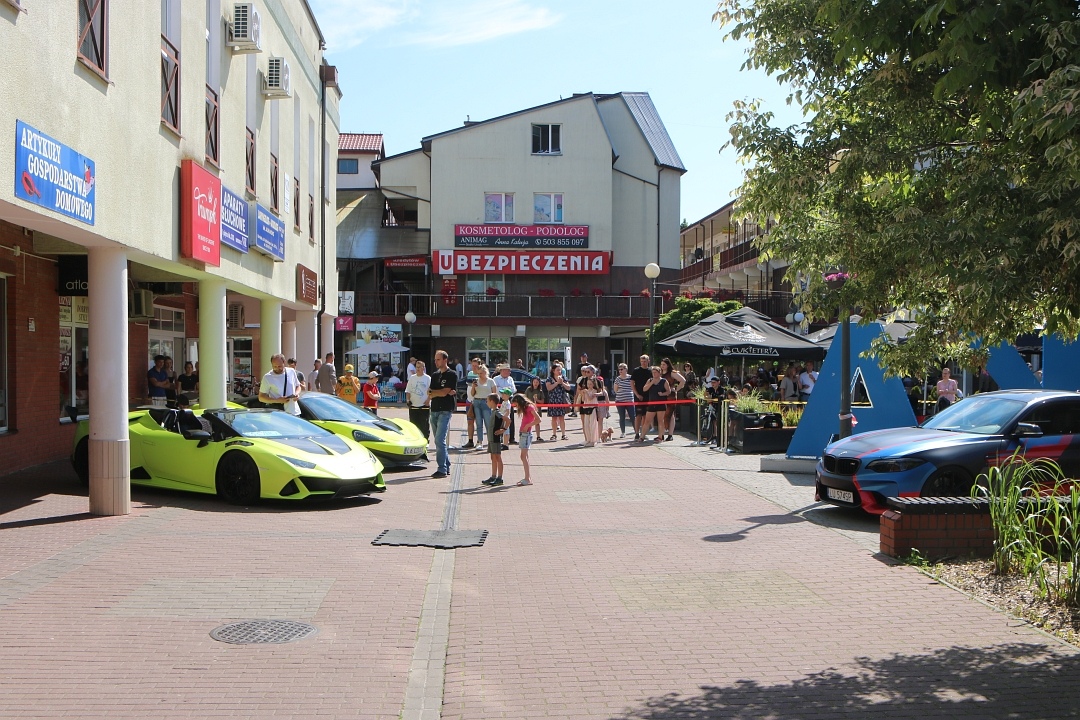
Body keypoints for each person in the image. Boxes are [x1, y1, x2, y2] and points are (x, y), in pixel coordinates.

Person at [427, 350, 457, 479]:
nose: (436, 362)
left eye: (438, 359)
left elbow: (444, 392)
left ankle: (441, 468)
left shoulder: (452, 374)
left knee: (440, 440)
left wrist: (437, 392)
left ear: (445, 360)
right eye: (435, 359)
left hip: (445, 410)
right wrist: (436, 392)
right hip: (434, 409)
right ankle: (447, 464)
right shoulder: (434, 375)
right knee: (438, 441)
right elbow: (429, 392)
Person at [467, 364, 497, 450]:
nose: (480, 375)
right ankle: (479, 442)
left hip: (487, 402)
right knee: (479, 423)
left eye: (481, 373)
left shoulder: (491, 381)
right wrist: (473, 387)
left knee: (488, 423)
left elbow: (494, 394)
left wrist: (492, 404)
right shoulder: (476, 381)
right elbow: (472, 394)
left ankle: (490, 442)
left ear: (485, 372)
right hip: (477, 401)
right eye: (478, 373)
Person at [405, 360, 430, 459]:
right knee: (414, 426)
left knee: (424, 426)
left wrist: (428, 400)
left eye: (420, 367)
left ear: (423, 368)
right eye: (417, 367)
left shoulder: (427, 378)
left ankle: (425, 446)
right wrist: (408, 400)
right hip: (414, 406)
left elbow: (430, 390)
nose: (418, 369)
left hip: (424, 406)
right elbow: (408, 390)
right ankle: (415, 446)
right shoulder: (412, 378)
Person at [513, 392, 539, 486]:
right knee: (525, 456)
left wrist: (528, 425)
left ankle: (527, 478)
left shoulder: (529, 407)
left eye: (516, 404)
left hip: (526, 433)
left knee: (523, 456)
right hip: (523, 433)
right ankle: (527, 477)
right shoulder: (526, 408)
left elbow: (538, 419)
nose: (516, 407)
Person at [639, 366, 670, 442]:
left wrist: (662, 394)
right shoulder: (650, 380)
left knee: (660, 420)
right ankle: (642, 436)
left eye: (655, 372)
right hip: (652, 403)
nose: (654, 374)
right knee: (647, 421)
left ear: (659, 373)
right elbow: (644, 389)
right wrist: (651, 383)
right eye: (653, 373)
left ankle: (660, 436)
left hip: (661, 403)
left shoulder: (664, 381)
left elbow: (668, 391)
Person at [481, 394, 505, 487]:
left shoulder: (497, 412)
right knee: (493, 457)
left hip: (495, 438)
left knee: (498, 457)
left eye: (487, 400)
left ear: (492, 401)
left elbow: (507, 420)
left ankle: (499, 477)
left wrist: (503, 429)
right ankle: (493, 476)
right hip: (491, 438)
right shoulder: (493, 411)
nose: (486, 402)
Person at [660, 358, 685, 442]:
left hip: (670, 395)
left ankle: (670, 434)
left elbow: (682, 380)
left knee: (670, 414)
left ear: (667, 365)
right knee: (662, 414)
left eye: (664, 364)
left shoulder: (672, 373)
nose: (662, 366)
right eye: (661, 364)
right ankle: (662, 434)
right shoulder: (660, 373)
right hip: (662, 395)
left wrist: (676, 389)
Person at [545, 364, 571, 441]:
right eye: (558, 370)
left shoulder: (563, 378)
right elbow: (549, 388)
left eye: (560, 370)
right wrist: (557, 383)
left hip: (561, 400)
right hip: (553, 400)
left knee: (562, 418)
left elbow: (568, 388)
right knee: (554, 418)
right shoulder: (549, 379)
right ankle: (554, 434)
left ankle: (563, 434)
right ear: (553, 371)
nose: (559, 372)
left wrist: (562, 382)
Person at [492, 363, 517, 443]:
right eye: (507, 370)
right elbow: (496, 389)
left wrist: (506, 390)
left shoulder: (510, 379)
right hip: (499, 400)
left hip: (509, 400)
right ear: (502, 371)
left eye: (509, 371)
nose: (509, 372)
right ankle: (499, 437)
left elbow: (514, 389)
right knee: (499, 418)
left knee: (510, 418)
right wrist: (505, 390)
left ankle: (511, 438)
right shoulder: (496, 379)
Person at [631, 354, 653, 441]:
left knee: (645, 416)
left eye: (645, 361)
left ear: (648, 361)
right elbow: (632, 383)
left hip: (648, 396)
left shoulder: (651, 371)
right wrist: (637, 394)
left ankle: (643, 433)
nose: (643, 363)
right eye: (642, 361)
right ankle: (636, 433)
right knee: (638, 415)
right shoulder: (636, 371)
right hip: (638, 396)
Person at [575, 365, 598, 447]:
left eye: (588, 371)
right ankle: (587, 439)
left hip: (593, 404)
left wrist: (591, 394)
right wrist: (584, 393)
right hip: (584, 402)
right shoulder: (583, 379)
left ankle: (594, 440)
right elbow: (578, 389)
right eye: (585, 371)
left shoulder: (596, 380)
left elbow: (601, 391)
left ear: (593, 372)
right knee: (585, 422)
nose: (586, 373)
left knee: (593, 423)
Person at [613, 363, 636, 438]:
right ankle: (623, 432)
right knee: (621, 417)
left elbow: (633, 387)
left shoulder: (631, 378)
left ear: (626, 369)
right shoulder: (618, 379)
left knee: (632, 416)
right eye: (619, 369)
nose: (620, 371)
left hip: (630, 401)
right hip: (620, 400)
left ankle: (636, 432)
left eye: (622, 369)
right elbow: (615, 389)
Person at [463, 357, 482, 449]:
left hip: (478, 401)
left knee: (479, 422)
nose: (474, 367)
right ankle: (470, 440)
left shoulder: (481, 375)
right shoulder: (470, 374)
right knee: (470, 422)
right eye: (472, 365)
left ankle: (479, 441)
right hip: (469, 401)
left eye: (476, 365)